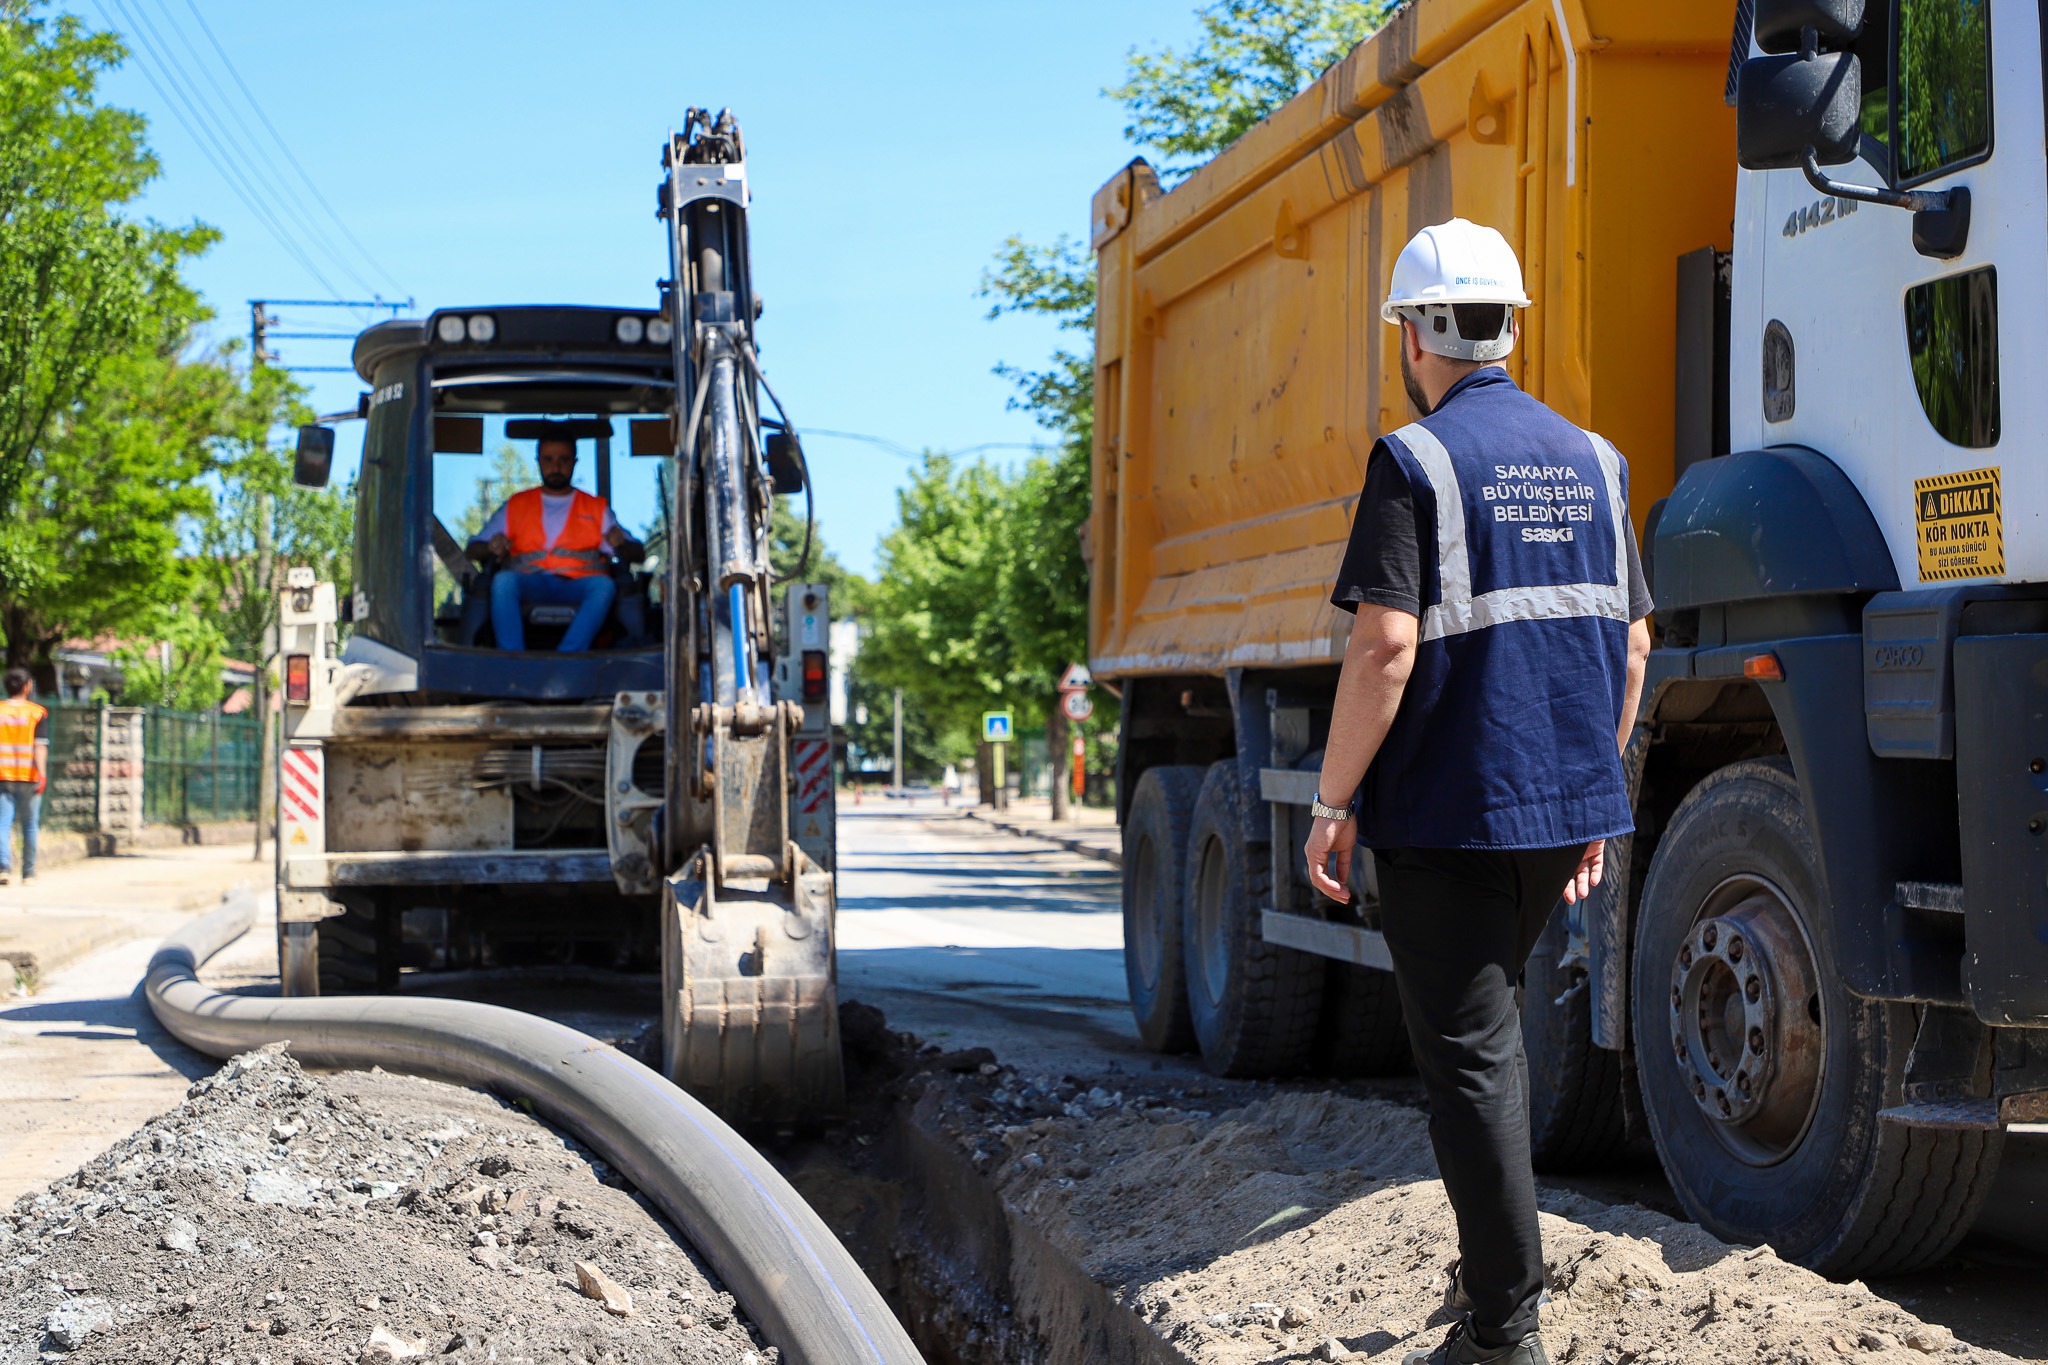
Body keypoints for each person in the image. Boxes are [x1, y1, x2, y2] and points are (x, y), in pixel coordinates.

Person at [1302, 219, 1653, 1365]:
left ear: (1413, 334)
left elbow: (1382, 647)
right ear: (1509, 327)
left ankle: (1504, 1333)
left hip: (1447, 815)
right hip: (1553, 811)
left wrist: (1330, 804)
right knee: (1491, 1038)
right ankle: (1490, 1282)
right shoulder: (1597, 460)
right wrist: (1586, 796)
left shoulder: (1413, 461)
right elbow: (1631, 646)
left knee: (1471, 1064)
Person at [467, 429, 642, 652]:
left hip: (578, 585)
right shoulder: (517, 505)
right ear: (538, 461)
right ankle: (512, 659)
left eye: (564, 459)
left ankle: (569, 655)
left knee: (604, 586)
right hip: (530, 583)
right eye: (548, 459)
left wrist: (621, 544)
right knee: (503, 582)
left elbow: (638, 553)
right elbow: (473, 549)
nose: (556, 467)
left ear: (574, 462)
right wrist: (492, 546)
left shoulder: (595, 507)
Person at [0, 668, 50, 886]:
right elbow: (40, 746)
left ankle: (3, 868)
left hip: (3, 775)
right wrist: (42, 774)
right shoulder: (36, 713)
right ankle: (28, 872)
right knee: (30, 825)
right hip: (29, 775)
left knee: (3, 824)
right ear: (27, 686)